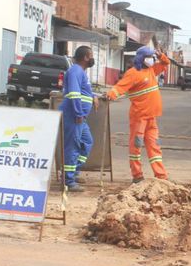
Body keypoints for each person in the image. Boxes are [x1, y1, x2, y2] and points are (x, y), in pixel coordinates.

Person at [107, 46, 170, 183]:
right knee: (136, 146)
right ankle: (137, 175)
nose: (152, 59)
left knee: (155, 146)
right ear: (141, 58)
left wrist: (161, 56)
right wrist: (110, 95)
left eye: (153, 57)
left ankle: (161, 176)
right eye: (149, 56)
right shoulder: (133, 73)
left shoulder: (151, 70)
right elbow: (120, 87)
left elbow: (165, 64)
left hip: (152, 118)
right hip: (139, 117)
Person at [59, 45, 99, 192]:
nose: (92, 58)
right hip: (74, 116)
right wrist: (78, 114)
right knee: (73, 146)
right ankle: (68, 181)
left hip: (80, 117)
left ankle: (73, 172)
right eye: (91, 55)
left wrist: (93, 96)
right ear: (85, 57)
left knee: (87, 142)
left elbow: (84, 91)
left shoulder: (80, 72)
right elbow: (74, 95)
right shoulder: (75, 71)